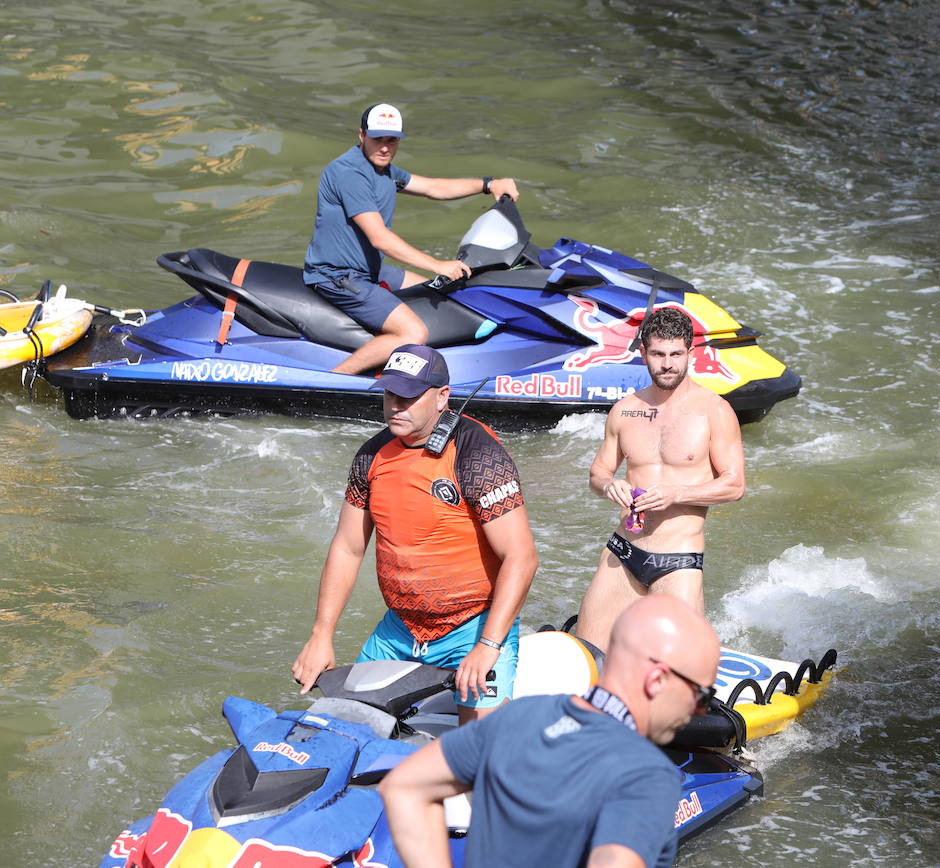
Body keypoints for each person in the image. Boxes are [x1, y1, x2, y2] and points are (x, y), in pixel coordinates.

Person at [291, 344, 538, 723]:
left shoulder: (477, 453)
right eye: (390, 394)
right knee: (338, 728)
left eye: (408, 396)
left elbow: (521, 557)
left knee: (480, 752)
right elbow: (347, 547)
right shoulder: (371, 456)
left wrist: (488, 645)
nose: (395, 406)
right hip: (400, 629)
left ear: (442, 397)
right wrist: (321, 634)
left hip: (472, 626)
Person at [378, 594, 720, 868]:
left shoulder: (519, 716)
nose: (700, 710)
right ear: (657, 679)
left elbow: (405, 787)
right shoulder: (646, 774)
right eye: (701, 694)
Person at [573, 305, 745, 651]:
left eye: (676, 354)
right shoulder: (625, 410)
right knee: (588, 655)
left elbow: (734, 485)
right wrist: (610, 485)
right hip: (623, 550)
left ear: (689, 354)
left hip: (678, 558)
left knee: (674, 668)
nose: (667, 364)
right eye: (658, 354)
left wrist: (677, 493)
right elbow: (598, 473)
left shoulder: (714, 411)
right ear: (643, 353)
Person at [303, 102, 520, 375]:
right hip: (338, 277)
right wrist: (436, 264)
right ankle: (333, 381)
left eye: (391, 140)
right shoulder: (350, 173)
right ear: (361, 136)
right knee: (414, 331)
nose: (384, 147)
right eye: (377, 139)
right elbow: (379, 238)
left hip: (368, 270)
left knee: (441, 295)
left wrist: (488, 185)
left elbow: (433, 187)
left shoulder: (385, 172)